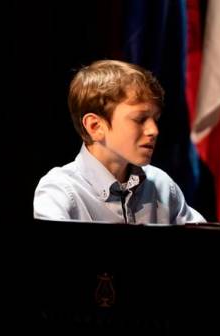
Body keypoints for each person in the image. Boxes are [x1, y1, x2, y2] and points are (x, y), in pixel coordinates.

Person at [34, 59, 205, 224]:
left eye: (155, 119)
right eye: (140, 119)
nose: (154, 130)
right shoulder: (60, 191)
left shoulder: (162, 186)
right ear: (95, 126)